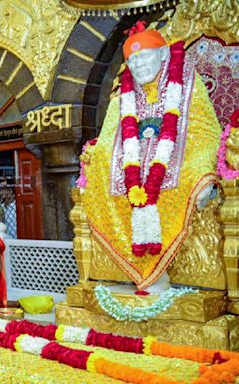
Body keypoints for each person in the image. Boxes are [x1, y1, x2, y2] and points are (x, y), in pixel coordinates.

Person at [79, 21, 221, 292]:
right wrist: (100, 157)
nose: (139, 66)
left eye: (144, 57)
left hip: (179, 155)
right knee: (102, 173)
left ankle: (162, 272)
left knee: (195, 176)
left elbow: (204, 129)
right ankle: (136, 271)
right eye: (132, 61)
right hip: (131, 165)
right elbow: (110, 136)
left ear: (164, 54)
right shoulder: (123, 95)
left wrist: (196, 162)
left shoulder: (187, 82)